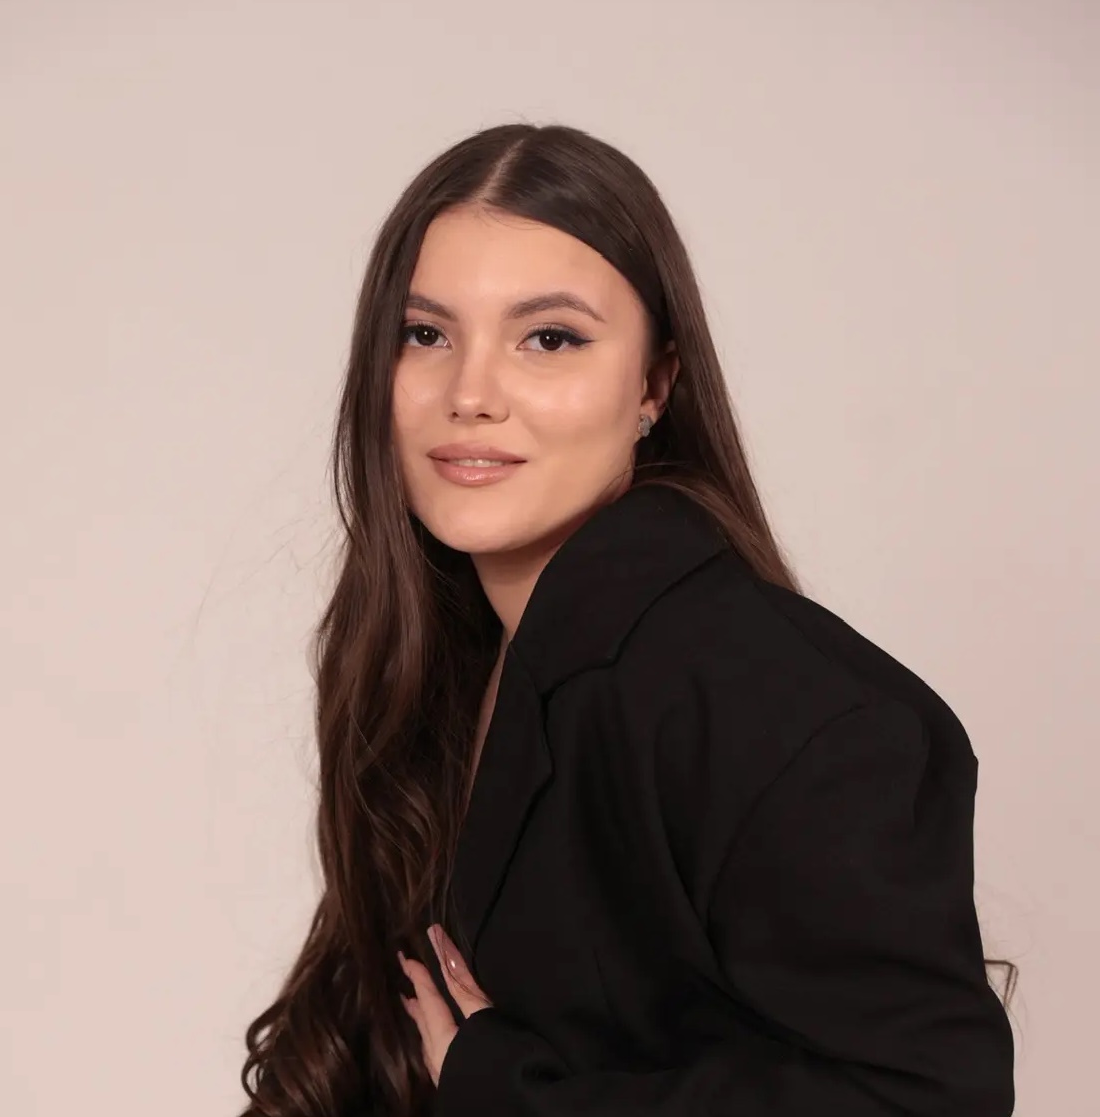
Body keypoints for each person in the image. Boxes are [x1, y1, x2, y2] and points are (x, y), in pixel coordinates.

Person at [238, 122, 1015, 1117]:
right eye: (425, 334)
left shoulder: (778, 702)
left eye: (549, 338)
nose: (469, 394)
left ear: (652, 385)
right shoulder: (447, 658)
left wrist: (506, 1088)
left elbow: (927, 1100)